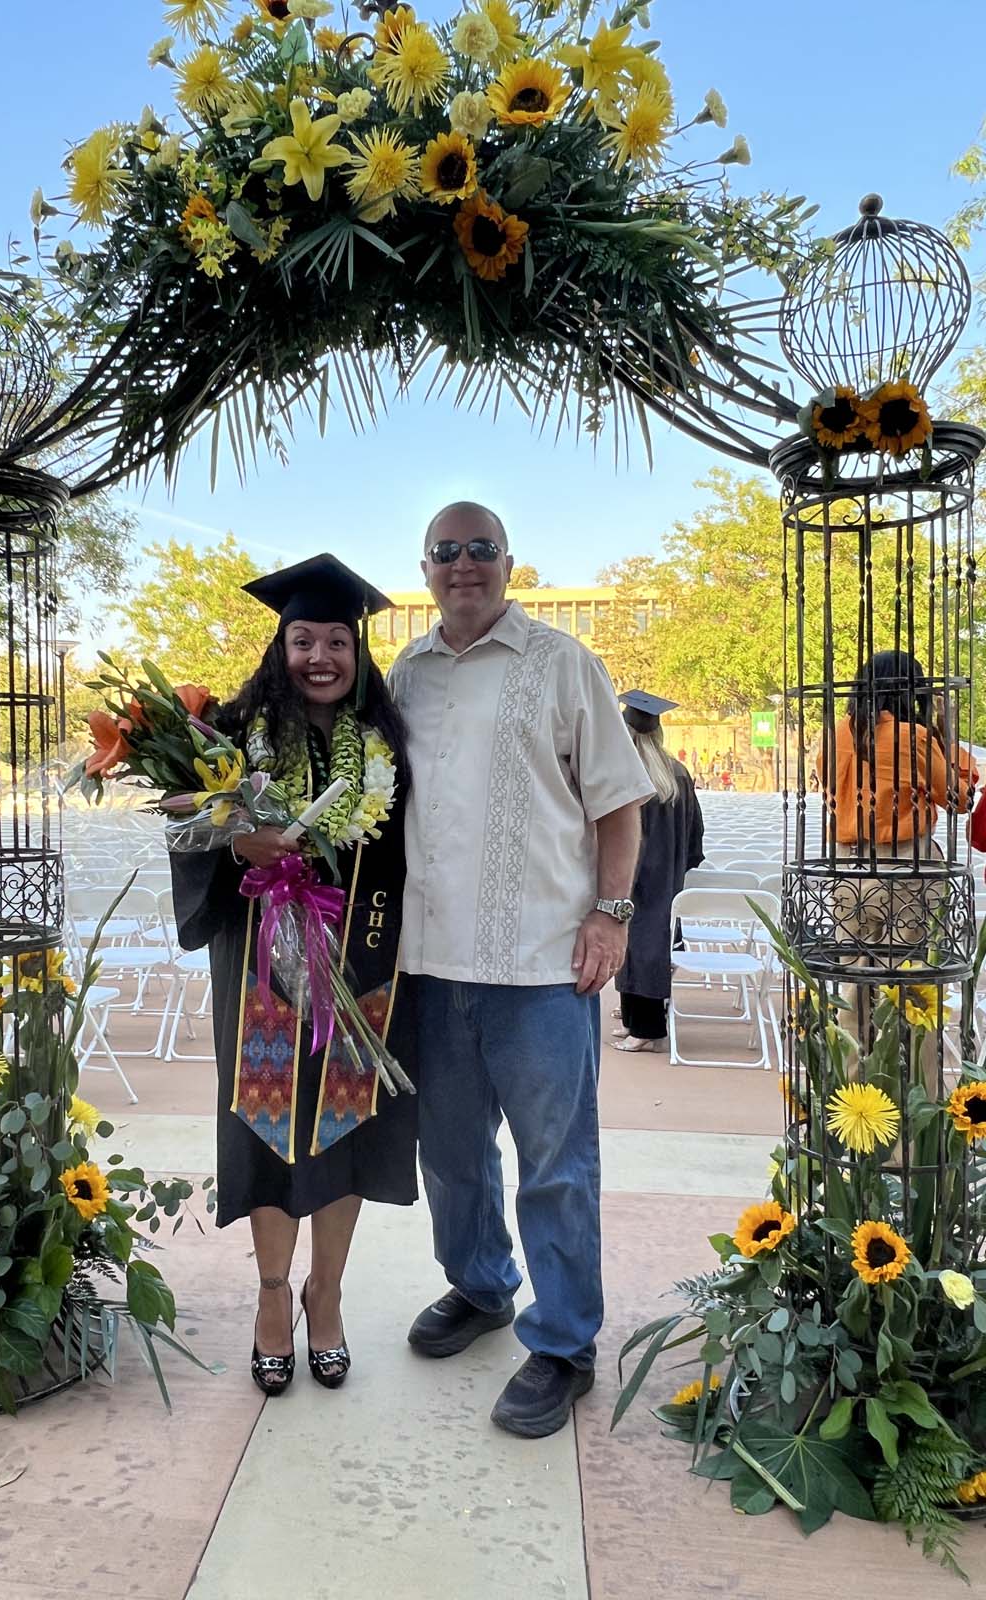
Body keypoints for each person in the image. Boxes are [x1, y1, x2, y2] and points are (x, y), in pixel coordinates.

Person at [389, 502, 653, 1440]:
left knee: (555, 1165)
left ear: (511, 564)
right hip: (431, 966)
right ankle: (481, 1286)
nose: (465, 565)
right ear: (426, 569)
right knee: (452, 1158)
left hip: (544, 964)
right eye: (447, 552)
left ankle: (565, 1343)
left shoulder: (563, 664)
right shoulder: (406, 674)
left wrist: (612, 916)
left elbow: (621, 803)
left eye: (482, 550)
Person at [170, 554, 418, 1397]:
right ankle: (273, 1296)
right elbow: (182, 832)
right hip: (261, 973)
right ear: (279, 648)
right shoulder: (233, 737)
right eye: (302, 638)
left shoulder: (391, 748)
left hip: (364, 964)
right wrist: (236, 843)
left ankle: (328, 1293)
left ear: (360, 653)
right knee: (265, 1132)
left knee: (346, 1132)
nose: (320, 656)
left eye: (337, 641)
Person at [822, 650, 976, 1073]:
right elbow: (959, 798)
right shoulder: (915, 738)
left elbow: (829, 791)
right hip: (907, 868)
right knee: (914, 993)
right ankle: (913, 1111)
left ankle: (852, 1103)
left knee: (852, 993)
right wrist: (945, 736)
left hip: (849, 868)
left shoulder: (837, 733)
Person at [612, 692, 705, 1054]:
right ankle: (634, 1020)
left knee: (641, 946)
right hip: (667, 876)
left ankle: (649, 1029)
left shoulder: (630, 776)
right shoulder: (677, 773)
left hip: (636, 873)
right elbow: (696, 833)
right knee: (643, 947)